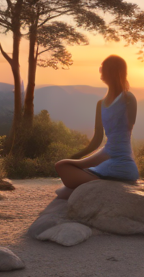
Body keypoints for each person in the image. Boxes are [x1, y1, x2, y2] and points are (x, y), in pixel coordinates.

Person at [55, 55, 139, 197]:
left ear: (112, 72)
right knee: (62, 168)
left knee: (65, 178)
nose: (101, 73)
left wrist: (82, 162)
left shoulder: (128, 99)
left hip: (121, 160)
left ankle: (100, 185)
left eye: (103, 69)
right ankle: (98, 183)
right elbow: (97, 139)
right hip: (107, 153)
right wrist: (78, 158)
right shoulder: (101, 104)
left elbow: (127, 132)